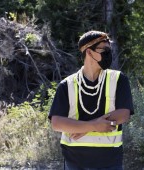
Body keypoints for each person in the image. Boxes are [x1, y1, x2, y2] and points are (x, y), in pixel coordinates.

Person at [48, 30, 134, 170]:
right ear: (89, 52)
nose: (108, 54)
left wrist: (85, 128)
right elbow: (57, 123)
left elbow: (124, 114)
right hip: (74, 162)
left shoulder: (119, 79)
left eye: (109, 50)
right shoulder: (66, 85)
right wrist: (93, 126)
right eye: (104, 50)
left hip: (110, 162)